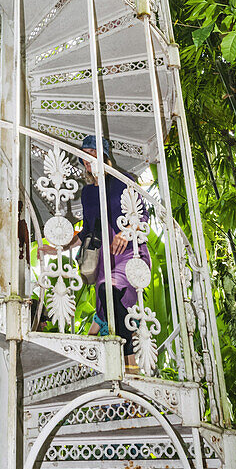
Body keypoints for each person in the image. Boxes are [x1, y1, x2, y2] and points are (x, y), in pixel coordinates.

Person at [39, 134, 151, 373]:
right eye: (84, 157)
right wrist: (60, 247)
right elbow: (88, 229)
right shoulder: (88, 193)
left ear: (105, 156)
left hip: (127, 251)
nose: (87, 161)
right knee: (108, 298)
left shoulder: (125, 180)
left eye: (92, 155)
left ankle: (130, 364)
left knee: (112, 291)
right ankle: (116, 359)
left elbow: (143, 217)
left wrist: (126, 233)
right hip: (102, 255)